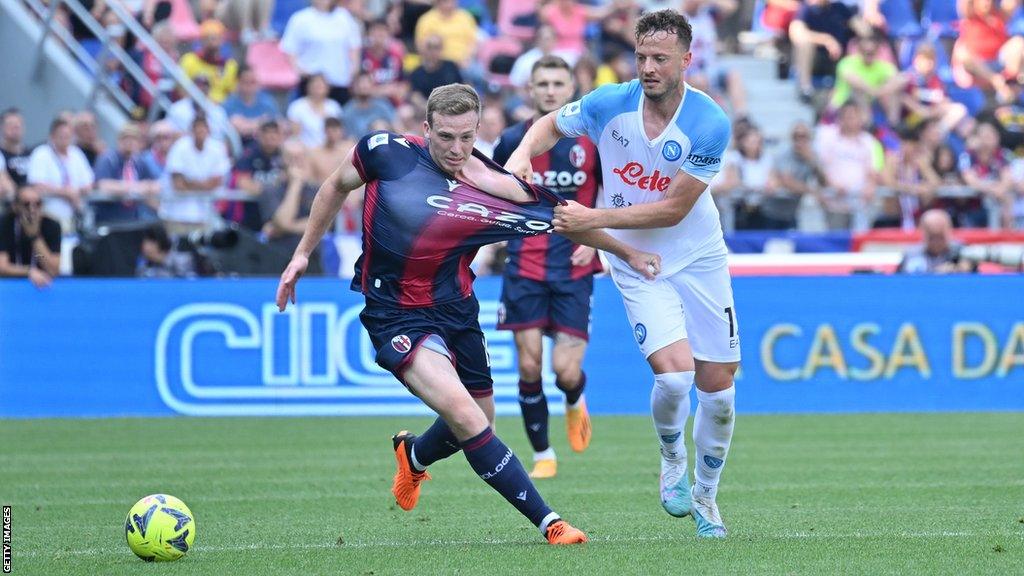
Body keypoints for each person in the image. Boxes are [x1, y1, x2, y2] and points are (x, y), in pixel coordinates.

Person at [276, 83, 661, 545]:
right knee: (465, 414)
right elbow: (334, 186)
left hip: (457, 310)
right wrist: (302, 254)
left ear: (478, 130)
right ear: (426, 129)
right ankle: (551, 523)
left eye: (466, 137)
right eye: (445, 137)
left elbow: (570, 219)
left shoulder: (497, 188)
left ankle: (414, 456)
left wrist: (628, 254)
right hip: (394, 314)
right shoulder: (384, 152)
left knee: (478, 418)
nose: (456, 149)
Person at [505, 9, 738, 538]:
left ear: (686, 59)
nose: (649, 67)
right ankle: (671, 457)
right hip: (637, 261)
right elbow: (547, 125)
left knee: (719, 392)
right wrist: (522, 153)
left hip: (699, 255)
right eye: (641, 57)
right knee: (676, 378)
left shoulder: (710, 123)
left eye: (660, 58)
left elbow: (673, 209)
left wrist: (594, 218)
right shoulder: (609, 101)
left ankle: (707, 496)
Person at [490, 56, 603, 479]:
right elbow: (495, 194)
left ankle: (575, 399)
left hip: (574, 266)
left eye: (558, 82)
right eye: (543, 83)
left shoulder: (592, 142)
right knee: (528, 366)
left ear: (571, 87)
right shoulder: (511, 142)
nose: (551, 90)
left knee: (565, 371)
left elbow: (613, 197)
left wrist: (599, 248)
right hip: (525, 264)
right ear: (530, 89)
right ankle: (543, 455)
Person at [26, 118, 95, 233]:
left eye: (68, 135)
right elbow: (37, 184)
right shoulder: (41, 153)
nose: (65, 139)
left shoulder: (76, 153)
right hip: (49, 217)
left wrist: (77, 192)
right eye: (61, 135)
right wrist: (66, 192)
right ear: (52, 136)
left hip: (75, 218)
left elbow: (89, 183)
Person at [163, 115, 231, 228]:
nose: (200, 131)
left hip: (207, 211)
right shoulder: (179, 146)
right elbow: (178, 184)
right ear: (191, 130)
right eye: (197, 128)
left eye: (203, 128)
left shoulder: (217, 148)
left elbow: (217, 182)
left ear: (209, 130)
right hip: (177, 212)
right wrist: (204, 185)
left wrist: (189, 182)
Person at [0, 185, 62, 288]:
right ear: (15, 206)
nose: (32, 209)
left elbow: (53, 269)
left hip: (43, 283)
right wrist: (29, 271)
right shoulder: (4, 224)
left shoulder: (51, 225)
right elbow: (2, 266)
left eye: (37, 204)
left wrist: (35, 237)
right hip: (9, 284)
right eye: (26, 204)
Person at [896, 209, 978, 273]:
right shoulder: (911, 255)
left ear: (949, 231)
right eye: (932, 237)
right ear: (923, 233)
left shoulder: (964, 251)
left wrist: (961, 269)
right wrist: (935, 273)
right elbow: (901, 282)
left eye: (940, 236)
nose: (936, 242)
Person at [179, 19, 239, 103]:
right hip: (194, 106)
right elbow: (182, 88)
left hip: (220, 109)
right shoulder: (189, 59)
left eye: (216, 38)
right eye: (208, 38)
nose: (212, 42)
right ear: (201, 40)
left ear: (222, 40)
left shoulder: (230, 65)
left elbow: (233, 93)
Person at [1, 109, 30, 187]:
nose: (16, 127)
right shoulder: (1, 155)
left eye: (18, 124)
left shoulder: (32, 154)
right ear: (2, 128)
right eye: (10, 124)